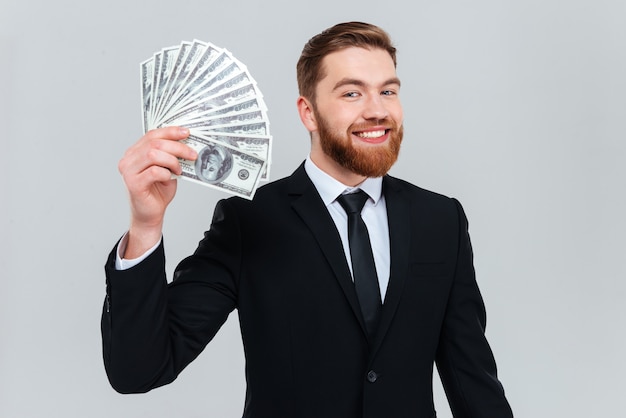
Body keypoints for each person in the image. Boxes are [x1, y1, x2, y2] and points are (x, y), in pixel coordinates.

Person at [102, 21, 514, 418]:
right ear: (308, 112)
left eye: (388, 90)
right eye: (352, 94)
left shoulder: (441, 220)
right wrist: (145, 226)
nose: (377, 110)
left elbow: (472, 382)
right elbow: (139, 370)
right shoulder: (250, 220)